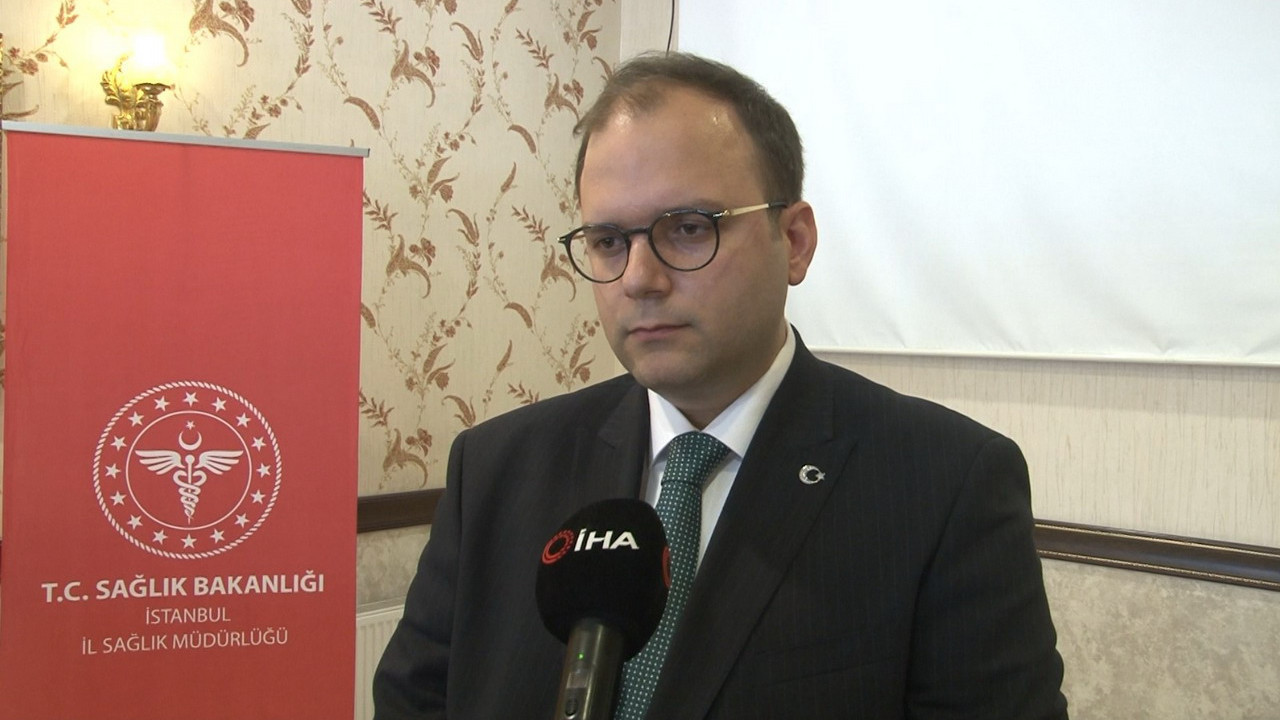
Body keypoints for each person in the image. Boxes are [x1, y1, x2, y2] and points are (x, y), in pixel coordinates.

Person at [373, 52, 1068, 719]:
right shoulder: (494, 470)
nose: (639, 280)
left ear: (794, 241)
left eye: (686, 229)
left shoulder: (944, 485)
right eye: (609, 241)